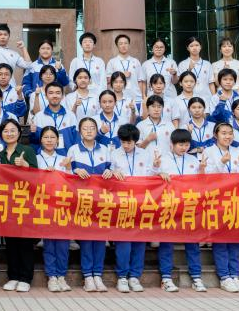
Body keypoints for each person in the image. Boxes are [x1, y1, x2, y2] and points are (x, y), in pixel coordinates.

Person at [157, 128, 207, 292]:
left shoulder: (194, 160)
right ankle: (166, 278)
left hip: (189, 207)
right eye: (180, 144)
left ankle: (196, 277)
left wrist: (202, 170)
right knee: (167, 243)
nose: (183, 148)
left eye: (186, 144)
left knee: (192, 243)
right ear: (171, 144)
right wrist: (158, 172)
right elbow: (152, 180)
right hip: (169, 206)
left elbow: (201, 182)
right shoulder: (162, 160)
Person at [67, 117, 114, 292]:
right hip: (83, 201)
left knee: (100, 239)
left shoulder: (105, 150)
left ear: (96, 130)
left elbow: (113, 169)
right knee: (86, 239)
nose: (89, 131)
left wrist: (110, 171)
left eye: (92, 128)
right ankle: (87, 276)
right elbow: (65, 172)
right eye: (85, 128)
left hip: (101, 201)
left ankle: (98, 275)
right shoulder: (73, 150)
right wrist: (74, 170)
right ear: (80, 131)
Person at [110, 124, 157, 293]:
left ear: (135, 141)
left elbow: (151, 175)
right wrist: (112, 173)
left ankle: (135, 276)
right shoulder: (114, 154)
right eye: (123, 142)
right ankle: (122, 276)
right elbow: (107, 175)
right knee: (123, 241)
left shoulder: (145, 154)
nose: (126, 145)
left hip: (141, 202)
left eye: (129, 142)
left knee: (139, 241)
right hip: (122, 203)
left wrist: (158, 169)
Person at [203, 122, 239, 292]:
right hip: (217, 199)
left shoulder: (238, 151)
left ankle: (235, 275)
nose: (227, 136)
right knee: (221, 238)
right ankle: (224, 276)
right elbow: (206, 176)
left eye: (230, 133)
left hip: (235, 199)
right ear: (216, 135)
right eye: (223, 133)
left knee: (235, 239)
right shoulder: (208, 151)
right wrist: (221, 163)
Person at [0, 119, 37, 293]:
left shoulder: (27, 151)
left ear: (19, 133)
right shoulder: (0, 154)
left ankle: (25, 277)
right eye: (6, 131)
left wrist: (26, 166)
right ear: (1, 134)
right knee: (11, 241)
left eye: (13, 130)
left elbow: (38, 177)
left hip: (25, 202)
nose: (9, 133)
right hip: (7, 203)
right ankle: (13, 276)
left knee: (25, 242)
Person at [36, 126, 72, 292]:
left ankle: (62, 276)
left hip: (62, 205)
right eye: (46, 137)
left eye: (52, 137)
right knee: (49, 243)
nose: (49, 140)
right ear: (41, 140)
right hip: (44, 206)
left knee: (63, 243)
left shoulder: (64, 159)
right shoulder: (36, 158)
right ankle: (51, 276)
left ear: (58, 140)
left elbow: (72, 183)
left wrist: (68, 169)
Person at [28, 83, 79, 156]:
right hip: (45, 159)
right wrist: (33, 133)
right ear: (46, 96)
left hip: (67, 158)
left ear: (62, 96)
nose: (54, 96)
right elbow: (35, 142)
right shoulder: (39, 116)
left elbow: (76, 140)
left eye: (58, 93)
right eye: (51, 93)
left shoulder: (71, 116)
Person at [106, 34, 145, 101]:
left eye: (126, 43)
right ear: (117, 46)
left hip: (135, 97)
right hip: (118, 97)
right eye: (121, 44)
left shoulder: (136, 61)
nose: (123, 46)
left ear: (129, 45)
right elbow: (108, 81)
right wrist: (122, 75)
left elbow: (140, 81)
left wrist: (140, 96)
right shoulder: (112, 62)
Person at [176, 37, 215, 102]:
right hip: (189, 99)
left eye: (197, 45)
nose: (194, 48)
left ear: (200, 47)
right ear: (187, 48)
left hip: (206, 98)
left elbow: (211, 83)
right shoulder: (182, 64)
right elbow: (181, 82)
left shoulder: (207, 64)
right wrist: (189, 70)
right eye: (191, 46)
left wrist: (214, 98)